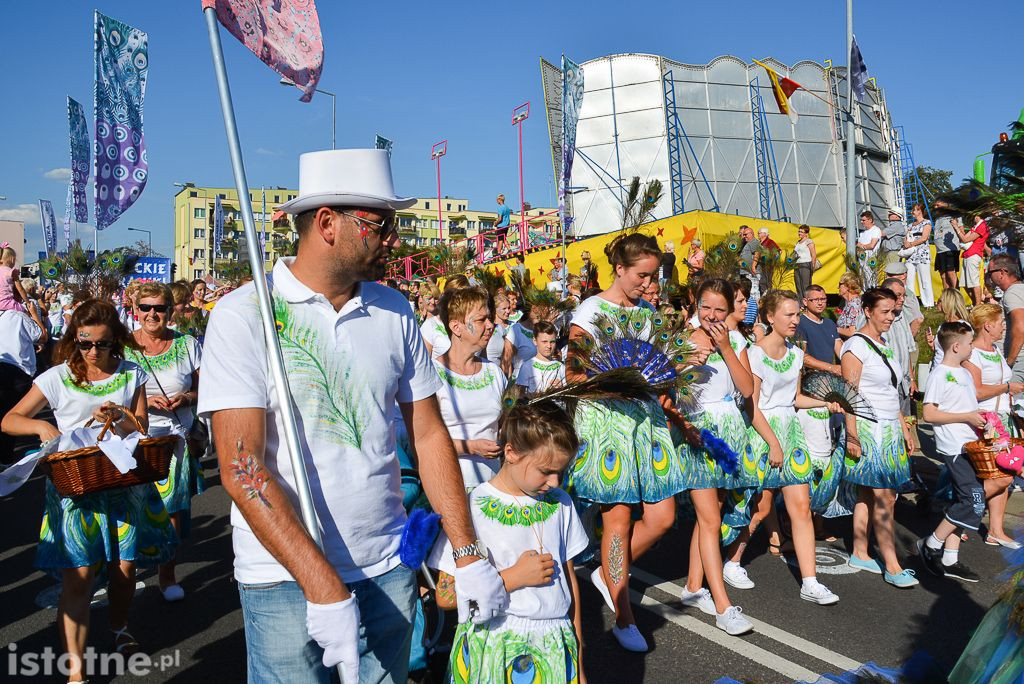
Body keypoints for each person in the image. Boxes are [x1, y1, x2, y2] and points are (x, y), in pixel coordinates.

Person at [198, 149, 505, 682]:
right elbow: (240, 465)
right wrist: (321, 584)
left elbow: (429, 434)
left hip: (386, 565)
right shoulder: (244, 314)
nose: (393, 238)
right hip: (284, 577)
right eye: (381, 224)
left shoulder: (395, 308)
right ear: (326, 224)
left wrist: (467, 550)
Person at [2, 299, 177, 681]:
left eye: (101, 343)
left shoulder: (132, 372)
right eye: (84, 344)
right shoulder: (56, 376)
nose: (93, 352)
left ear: (115, 340)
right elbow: (9, 420)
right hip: (75, 489)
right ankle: (76, 672)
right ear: (74, 340)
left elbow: (143, 427)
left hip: (123, 485)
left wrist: (121, 416)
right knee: (79, 577)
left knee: (124, 572)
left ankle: (118, 627)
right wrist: (41, 428)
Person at [567, 233, 691, 650]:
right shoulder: (589, 311)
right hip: (609, 425)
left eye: (653, 275)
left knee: (663, 517)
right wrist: (617, 384)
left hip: (648, 425)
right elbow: (574, 375)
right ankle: (624, 615)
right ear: (619, 269)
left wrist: (666, 384)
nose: (648, 283)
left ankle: (608, 571)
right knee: (617, 520)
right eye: (642, 275)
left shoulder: (648, 314)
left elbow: (661, 364)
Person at [428, 393, 588, 683]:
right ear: (511, 452)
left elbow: (569, 579)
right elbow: (445, 595)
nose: (555, 482)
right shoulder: (471, 508)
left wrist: (577, 655)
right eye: (546, 471)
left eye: (561, 472)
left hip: (552, 643)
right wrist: (513, 577)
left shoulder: (561, 503)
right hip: (493, 644)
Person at [743, 290, 842, 604]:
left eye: (797, 314)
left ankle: (810, 582)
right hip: (764, 432)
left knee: (800, 508)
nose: (795, 320)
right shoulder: (754, 354)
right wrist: (772, 442)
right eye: (789, 314)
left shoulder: (797, 354)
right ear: (770, 317)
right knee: (758, 510)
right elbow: (752, 407)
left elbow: (794, 399)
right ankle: (731, 561)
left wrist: (825, 403)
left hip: (791, 431)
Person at [671, 278, 755, 635]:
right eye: (706, 307)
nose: (712, 315)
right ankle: (723, 606)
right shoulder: (681, 341)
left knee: (713, 513)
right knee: (709, 518)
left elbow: (747, 388)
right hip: (697, 433)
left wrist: (727, 349)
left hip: (730, 431)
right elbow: (664, 389)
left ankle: (693, 586)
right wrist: (685, 363)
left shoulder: (735, 340)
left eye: (720, 309)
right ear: (696, 303)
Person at [125, 282, 203, 602]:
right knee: (131, 510)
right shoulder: (123, 346)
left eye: (159, 308)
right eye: (146, 308)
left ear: (170, 311)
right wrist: (143, 403)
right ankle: (123, 576)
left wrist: (186, 398)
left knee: (171, 509)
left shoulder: (187, 345)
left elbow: (208, 389)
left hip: (174, 441)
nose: (152, 314)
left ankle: (166, 575)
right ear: (135, 310)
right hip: (131, 439)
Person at [840, 287, 918, 588]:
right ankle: (892, 563)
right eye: (884, 311)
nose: (891, 316)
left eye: (893, 311)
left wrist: (904, 426)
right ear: (868, 311)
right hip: (869, 430)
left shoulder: (883, 344)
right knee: (886, 496)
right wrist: (852, 435)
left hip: (889, 427)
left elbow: (891, 392)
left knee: (867, 493)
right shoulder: (855, 347)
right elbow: (849, 395)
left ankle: (860, 550)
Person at [917, 322, 995, 583]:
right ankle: (931, 544)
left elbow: (968, 409)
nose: (972, 346)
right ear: (956, 346)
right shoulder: (940, 374)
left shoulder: (962, 373)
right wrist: (968, 417)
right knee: (972, 501)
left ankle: (950, 557)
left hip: (971, 445)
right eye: (970, 342)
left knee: (964, 500)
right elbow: (929, 413)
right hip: (954, 447)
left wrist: (983, 420)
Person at [963, 304, 1023, 549]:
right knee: (994, 477)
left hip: (1003, 419)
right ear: (987, 325)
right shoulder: (972, 354)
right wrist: (1007, 388)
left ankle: (995, 530)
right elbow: (975, 391)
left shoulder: (996, 351)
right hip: (985, 420)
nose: (1003, 327)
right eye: (1000, 323)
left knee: (1005, 476)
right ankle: (959, 511)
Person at [434, 286, 505, 489]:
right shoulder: (433, 374)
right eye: (481, 320)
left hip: (494, 485)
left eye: (490, 318)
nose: (491, 325)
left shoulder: (494, 373)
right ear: (456, 327)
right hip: (451, 484)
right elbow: (425, 441)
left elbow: (505, 425)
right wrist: (471, 447)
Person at [0, 309, 44, 461]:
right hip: (17, 370)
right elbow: (41, 335)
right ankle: (5, 459)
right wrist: (34, 313)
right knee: (12, 416)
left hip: (7, 368)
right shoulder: (18, 316)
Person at [988, 254, 1024, 384]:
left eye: (990, 272)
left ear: (1002, 272)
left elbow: (1021, 327)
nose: (989, 277)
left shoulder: (1012, 293)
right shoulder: (1019, 290)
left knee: (1013, 402)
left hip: (1019, 361)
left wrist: (1009, 361)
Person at [796, 284, 841, 375]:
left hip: (831, 375)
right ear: (805, 301)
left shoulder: (830, 323)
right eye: (816, 300)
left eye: (823, 299)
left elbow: (841, 350)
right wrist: (830, 367)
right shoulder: (800, 323)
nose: (820, 303)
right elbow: (802, 357)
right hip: (811, 376)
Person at [926, 288, 971, 368]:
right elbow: (944, 352)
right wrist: (933, 346)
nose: (937, 303)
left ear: (948, 303)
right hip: (937, 370)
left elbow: (964, 354)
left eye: (940, 301)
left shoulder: (962, 327)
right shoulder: (943, 325)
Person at [514, 321, 564, 393]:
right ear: (535, 341)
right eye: (544, 342)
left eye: (552, 342)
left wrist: (562, 388)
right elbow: (520, 396)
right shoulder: (527, 366)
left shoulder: (561, 367)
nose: (549, 346)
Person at [903, 203, 934, 307]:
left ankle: (928, 303)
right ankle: (910, 302)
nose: (912, 212)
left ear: (920, 211)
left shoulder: (927, 223)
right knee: (909, 280)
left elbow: (924, 237)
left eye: (914, 210)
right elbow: (905, 237)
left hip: (922, 254)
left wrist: (911, 244)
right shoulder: (910, 225)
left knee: (924, 280)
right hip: (910, 255)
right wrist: (906, 243)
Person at [956, 214, 990, 305]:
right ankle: (976, 303)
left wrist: (956, 227)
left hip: (974, 255)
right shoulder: (975, 226)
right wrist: (958, 227)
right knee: (966, 284)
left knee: (974, 283)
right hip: (967, 255)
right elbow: (963, 237)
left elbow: (965, 240)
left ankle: (978, 306)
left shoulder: (982, 226)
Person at [484, 291, 516, 377]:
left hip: (511, 372)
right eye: (504, 309)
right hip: (490, 371)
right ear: (495, 309)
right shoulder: (488, 327)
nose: (508, 311)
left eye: (509, 308)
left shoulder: (514, 325)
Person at [933, 200, 962, 290]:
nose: (936, 207)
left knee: (951, 273)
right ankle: (947, 298)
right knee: (943, 275)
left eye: (938, 205)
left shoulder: (955, 215)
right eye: (935, 205)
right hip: (940, 250)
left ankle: (957, 296)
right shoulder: (938, 218)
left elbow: (962, 231)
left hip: (950, 249)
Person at [418, 283, 451, 359]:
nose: (432, 302)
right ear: (421, 299)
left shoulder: (449, 318)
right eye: (428, 298)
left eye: (436, 298)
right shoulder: (422, 324)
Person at [856, 212, 882, 286]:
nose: (861, 222)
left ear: (870, 220)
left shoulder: (876, 230)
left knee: (871, 281)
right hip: (861, 261)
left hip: (871, 260)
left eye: (863, 220)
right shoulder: (862, 233)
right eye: (861, 220)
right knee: (863, 282)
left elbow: (872, 245)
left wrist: (861, 246)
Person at [836, 272, 864, 339]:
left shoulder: (854, 305)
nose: (838, 287)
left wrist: (834, 329)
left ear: (848, 286)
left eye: (840, 284)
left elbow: (852, 332)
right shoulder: (850, 303)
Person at [792, 225, 817, 296]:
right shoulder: (797, 242)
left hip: (806, 264)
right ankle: (801, 304)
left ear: (806, 233)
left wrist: (812, 266)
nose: (799, 233)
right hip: (797, 265)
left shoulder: (809, 242)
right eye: (799, 231)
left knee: (806, 285)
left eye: (801, 232)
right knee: (798, 285)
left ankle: (807, 303)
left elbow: (813, 255)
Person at [739, 225, 761, 298]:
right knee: (747, 292)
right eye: (743, 234)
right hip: (745, 272)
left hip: (751, 273)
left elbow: (757, 253)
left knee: (753, 293)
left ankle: (755, 308)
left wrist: (753, 266)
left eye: (746, 234)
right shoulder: (746, 243)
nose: (744, 236)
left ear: (751, 234)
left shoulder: (754, 242)